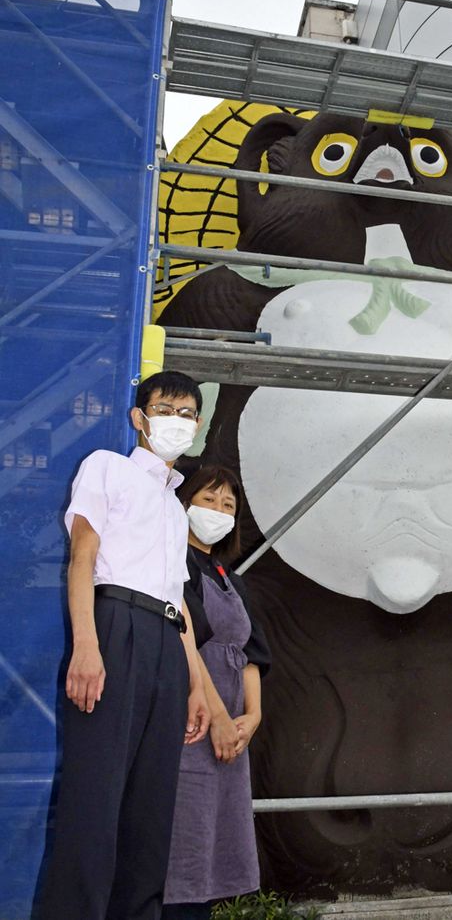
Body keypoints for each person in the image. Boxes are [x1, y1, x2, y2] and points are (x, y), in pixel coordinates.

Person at [37, 370, 211, 920]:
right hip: (115, 625)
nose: (176, 423)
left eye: (188, 415)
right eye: (166, 410)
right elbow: (82, 558)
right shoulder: (105, 467)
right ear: (139, 417)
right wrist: (87, 647)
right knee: (95, 800)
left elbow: (177, 603)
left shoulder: (175, 508)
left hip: (165, 642)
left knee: (151, 809)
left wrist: (195, 687)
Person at [163, 465, 271, 920]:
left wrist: (253, 716)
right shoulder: (171, 561)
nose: (218, 511)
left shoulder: (229, 574)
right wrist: (219, 718)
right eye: (209, 499)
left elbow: (250, 652)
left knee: (215, 842)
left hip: (231, 734)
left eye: (228, 505)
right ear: (184, 502)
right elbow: (185, 638)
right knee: (183, 837)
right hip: (193, 721)